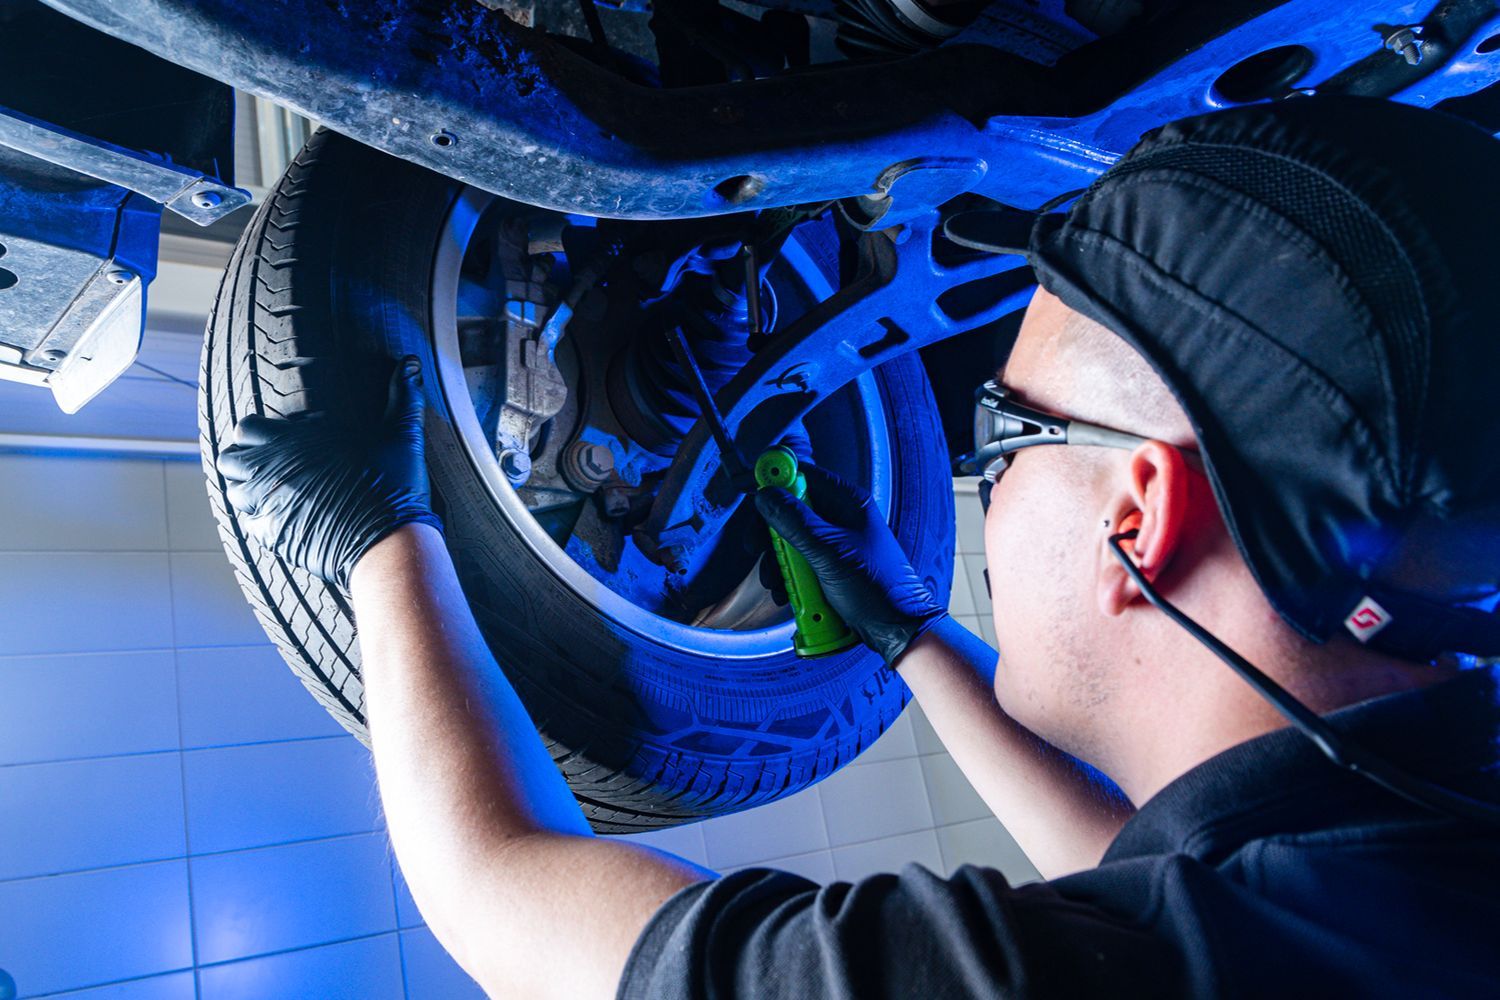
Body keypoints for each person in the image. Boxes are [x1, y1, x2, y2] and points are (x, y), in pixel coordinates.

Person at [217, 95, 1500, 998]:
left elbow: (510, 911)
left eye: (999, 432)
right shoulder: (1408, 855)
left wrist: (377, 534)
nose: (972, 485)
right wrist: (906, 630)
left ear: (1141, 517)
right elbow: (1155, 882)